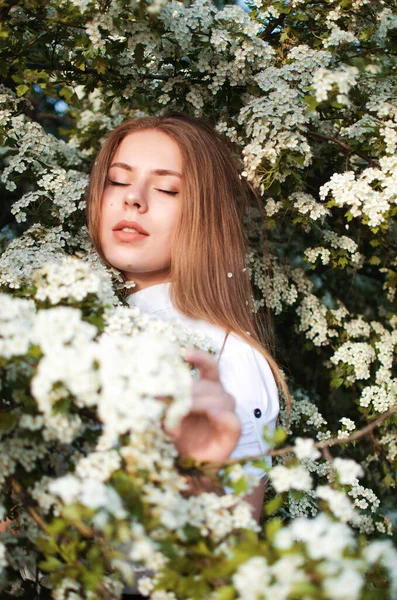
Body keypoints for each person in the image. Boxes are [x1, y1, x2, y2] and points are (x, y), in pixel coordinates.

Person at [86, 113, 289, 524]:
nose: (134, 198)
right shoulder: (68, 320)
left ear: (204, 215)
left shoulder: (225, 356)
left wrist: (202, 473)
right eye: (118, 180)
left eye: (167, 188)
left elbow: (228, 557)